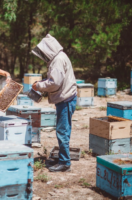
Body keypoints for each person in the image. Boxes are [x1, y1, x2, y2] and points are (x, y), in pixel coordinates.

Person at [32, 34, 77, 172]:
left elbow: (54, 83)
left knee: (62, 131)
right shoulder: (60, 57)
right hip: (67, 98)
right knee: (64, 130)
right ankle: (64, 157)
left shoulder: (57, 60)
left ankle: (65, 162)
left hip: (65, 99)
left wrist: (38, 86)